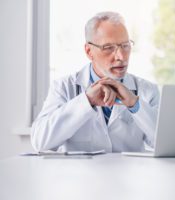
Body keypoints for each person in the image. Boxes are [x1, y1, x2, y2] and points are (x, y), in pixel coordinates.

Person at [31, 11, 160, 153]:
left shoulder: (148, 90)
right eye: (109, 48)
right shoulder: (64, 87)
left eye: (125, 45)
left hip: (129, 174)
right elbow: (40, 142)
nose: (121, 56)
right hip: (79, 174)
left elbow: (163, 143)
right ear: (88, 51)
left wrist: (135, 105)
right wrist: (86, 101)